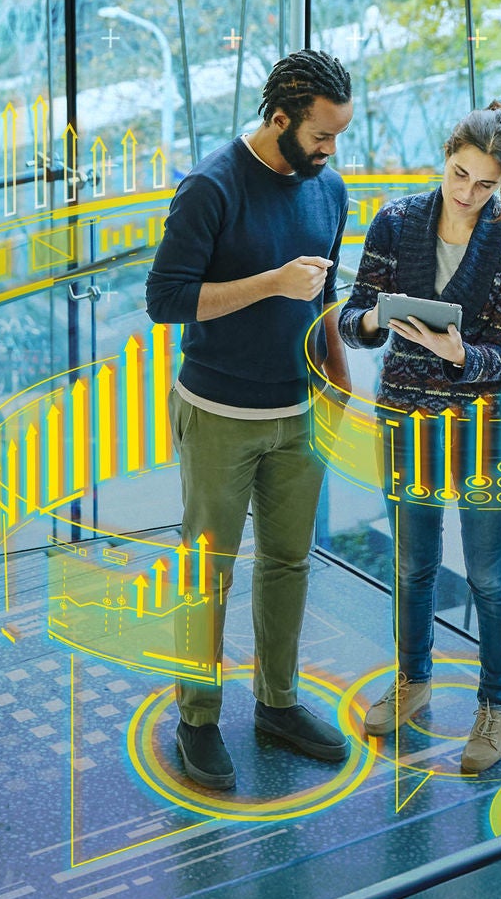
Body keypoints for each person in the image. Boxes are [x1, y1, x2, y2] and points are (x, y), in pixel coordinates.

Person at [144, 50, 356, 790]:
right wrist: (271, 282)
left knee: (289, 563)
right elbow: (166, 300)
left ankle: (278, 702)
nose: (331, 151)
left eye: (337, 137)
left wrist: (339, 369)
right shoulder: (211, 186)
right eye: (322, 136)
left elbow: (324, 295)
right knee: (208, 574)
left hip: (300, 411)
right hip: (220, 414)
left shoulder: (328, 189)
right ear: (279, 119)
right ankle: (196, 717)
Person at [338, 104, 501, 772]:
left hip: (488, 426)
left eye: (486, 184)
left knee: (489, 574)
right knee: (411, 565)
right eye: (460, 174)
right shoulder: (396, 223)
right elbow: (350, 319)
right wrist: (373, 320)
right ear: (447, 154)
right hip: (409, 419)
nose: (467, 193)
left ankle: (496, 703)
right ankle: (412, 680)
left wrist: (460, 355)